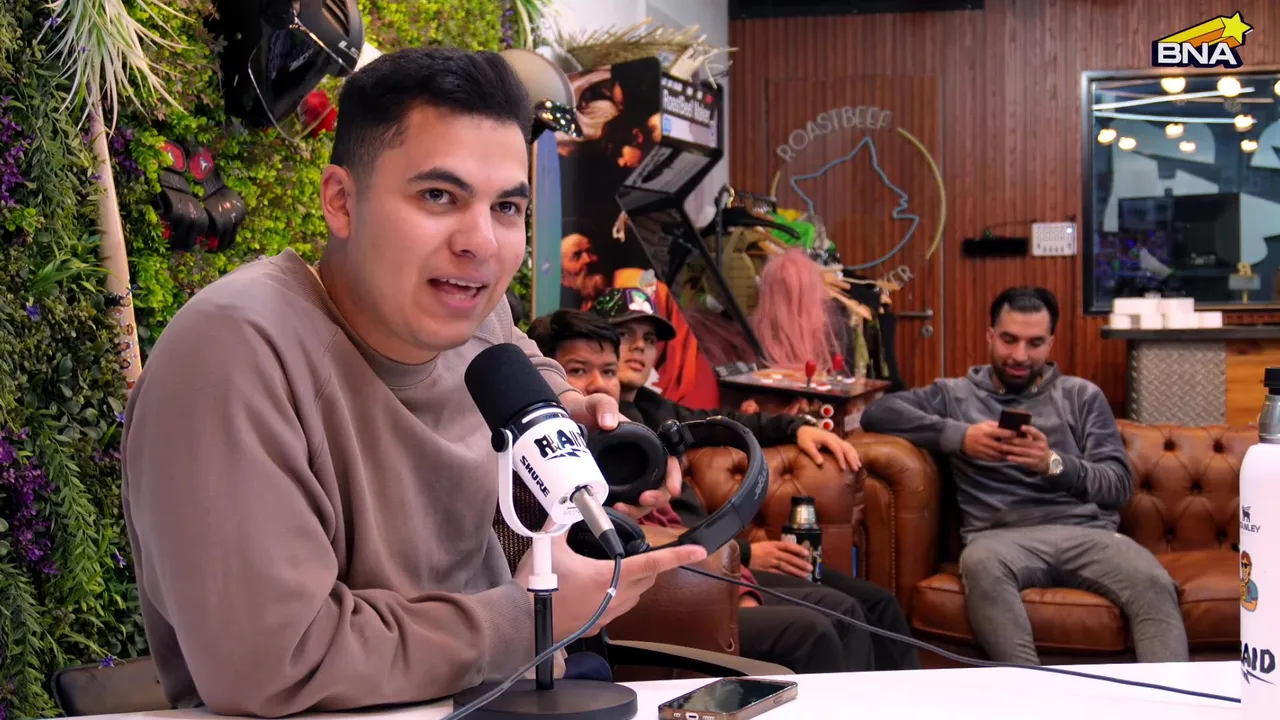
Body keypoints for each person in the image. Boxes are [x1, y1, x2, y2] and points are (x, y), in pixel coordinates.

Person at [119, 48, 707, 718]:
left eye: (506, 207)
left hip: (521, 693)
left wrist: (576, 412)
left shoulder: (473, 314)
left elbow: (519, 358)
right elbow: (274, 662)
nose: (481, 242)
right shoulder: (235, 352)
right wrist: (530, 617)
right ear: (341, 201)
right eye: (438, 196)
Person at [527, 309, 880, 674]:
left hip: (710, 566)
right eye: (579, 371)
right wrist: (735, 569)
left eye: (609, 371)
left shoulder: (642, 418)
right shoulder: (552, 458)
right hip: (671, 582)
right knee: (814, 628)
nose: (599, 384)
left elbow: (720, 423)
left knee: (855, 607)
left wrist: (797, 427)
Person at [860, 286, 1189, 665]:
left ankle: (1169, 696)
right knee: (980, 563)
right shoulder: (954, 395)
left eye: (1034, 343)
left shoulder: (1081, 396)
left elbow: (1117, 486)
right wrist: (961, 437)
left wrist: (1052, 463)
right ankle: (1031, 689)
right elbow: (878, 412)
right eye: (1009, 340)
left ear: (1051, 343)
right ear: (990, 336)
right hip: (998, 540)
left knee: (1152, 581)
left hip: (1087, 536)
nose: (1019, 355)